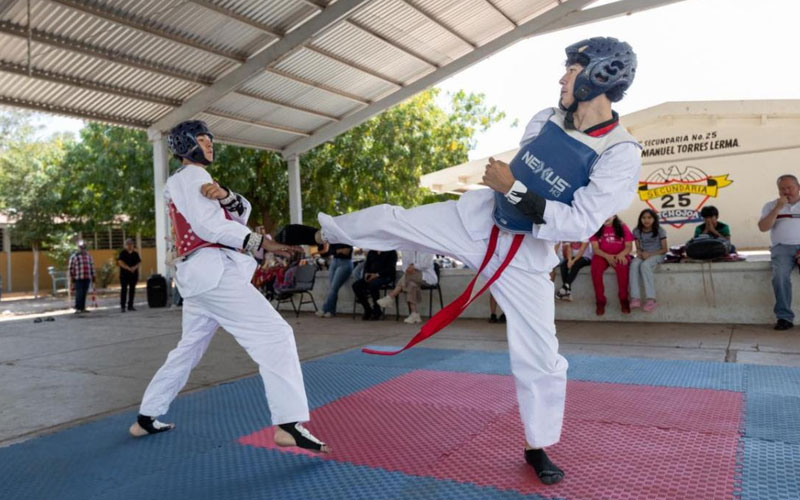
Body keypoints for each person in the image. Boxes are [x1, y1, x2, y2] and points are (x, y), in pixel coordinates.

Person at [282, 37, 641, 484]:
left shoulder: (621, 153)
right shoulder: (545, 119)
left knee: (542, 357)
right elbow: (525, 177)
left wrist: (512, 188)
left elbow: (579, 222)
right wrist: (509, 189)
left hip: (526, 258)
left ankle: (538, 444)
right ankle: (324, 233)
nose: (562, 78)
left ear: (599, 75)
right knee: (399, 221)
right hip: (477, 220)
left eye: (571, 69)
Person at [129, 120, 329, 454]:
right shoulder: (191, 176)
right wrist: (265, 245)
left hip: (199, 280)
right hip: (213, 276)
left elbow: (234, 215)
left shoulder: (191, 180)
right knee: (276, 335)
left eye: (210, 139)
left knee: (188, 349)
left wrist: (226, 195)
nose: (209, 144)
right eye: (202, 139)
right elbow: (210, 226)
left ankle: (147, 416)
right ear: (185, 144)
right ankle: (289, 423)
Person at [758, 174, 800, 330]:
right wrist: (778, 208)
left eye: (790, 187)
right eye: (782, 189)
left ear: (799, 187)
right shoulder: (770, 206)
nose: (786, 191)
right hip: (781, 248)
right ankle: (784, 318)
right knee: (779, 276)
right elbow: (763, 227)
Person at [377, 250, 437, 324]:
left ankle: (391, 296)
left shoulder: (426, 249)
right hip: (410, 277)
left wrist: (413, 267)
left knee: (408, 277)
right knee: (411, 284)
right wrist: (409, 269)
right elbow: (404, 266)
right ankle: (414, 314)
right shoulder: (406, 250)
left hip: (426, 277)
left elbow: (426, 264)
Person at [590, 215, 634, 315]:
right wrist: (607, 256)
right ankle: (600, 301)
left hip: (620, 254)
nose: (605, 217)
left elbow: (628, 246)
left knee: (623, 268)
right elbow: (596, 248)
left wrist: (621, 254)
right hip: (602, 255)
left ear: (614, 215)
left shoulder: (623, 227)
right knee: (595, 270)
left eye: (608, 214)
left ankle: (623, 299)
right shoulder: (596, 227)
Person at [629, 209, 667, 312]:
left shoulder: (660, 230)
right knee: (634, 264)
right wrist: (640, 253)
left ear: (654, 219)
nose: (646, 220)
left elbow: (664, 249)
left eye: (649, 218)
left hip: (657, 254)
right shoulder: (636, 231)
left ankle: (651, 299)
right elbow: (638, 248)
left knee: (645, 266)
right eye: (644, 218)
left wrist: (650, 254)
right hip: (644, 254)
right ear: (640, 219)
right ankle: (635, 298)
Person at [351, 249, 397, 320]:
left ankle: (377, 310)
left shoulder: (391, 252)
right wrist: (366, 274)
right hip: (371, 276)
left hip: (385, 276)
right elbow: (367, 266)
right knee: (356, 286)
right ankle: (368, 309)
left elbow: (390, 269)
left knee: (373, 285)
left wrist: (377, 275)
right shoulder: (372, 252)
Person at [315, 243, 354, 318]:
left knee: (333, 288)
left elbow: (347, 252)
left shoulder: (347, 239)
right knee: (332, 288)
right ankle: (331, 311)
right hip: (334, 262)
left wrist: (337, 251)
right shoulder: (334, 240)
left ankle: (324, 308)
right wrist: (340, 250)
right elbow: (330, 251)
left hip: (345, 263)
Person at [68, 240, 95, 313]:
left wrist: (93, 276)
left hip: (87, 277)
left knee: (84, 293)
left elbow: (91, 266)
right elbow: (71, 268)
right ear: (78, 248)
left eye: (83, 247)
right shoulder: (74, 256)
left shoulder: (88, 256)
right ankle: (78, 308)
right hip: (78, 278)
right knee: (79, 293)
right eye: (81, 247)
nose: (82, 248)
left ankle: (83, 308)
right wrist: (72, 278)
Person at [117, 238, 141, 312]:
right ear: (125, 245)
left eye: (131, 244)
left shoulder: (135, 253)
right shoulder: (122, 253)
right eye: (128, 244)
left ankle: (130, 305)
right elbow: (120, 262)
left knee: (132, 290)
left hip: (133, 275)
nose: (130, 246)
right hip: (124, 275)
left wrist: (134, 268)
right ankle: (123, 306)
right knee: (124, 290)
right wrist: (128, 268)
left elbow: (139, 262)